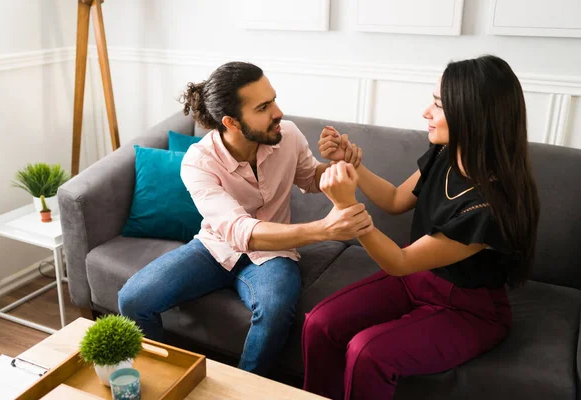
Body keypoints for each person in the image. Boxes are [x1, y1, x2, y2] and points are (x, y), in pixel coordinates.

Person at [302, 55, 540, 399]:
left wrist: (346, 206)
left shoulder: (490, 208)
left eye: (439, 105)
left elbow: (399, 261)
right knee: (319, 324)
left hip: (468, 309)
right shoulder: (445, 153)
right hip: (417, 280)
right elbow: (396, 199)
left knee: (367, 352)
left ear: (472, 114)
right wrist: (348, 163)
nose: (426, 112)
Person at [118, 61, 372, 376]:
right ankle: (168, 380)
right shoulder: (198, 163)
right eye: (264, 107)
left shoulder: (287, 134)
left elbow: (309, 177)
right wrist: (324, 230)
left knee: (276, 308)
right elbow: (241, 232)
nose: (278, 111)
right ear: (232, 122)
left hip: (273, 255)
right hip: (213, 249)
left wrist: (335, 164)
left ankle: (245, 389)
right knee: (132, 299)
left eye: (274, 100)